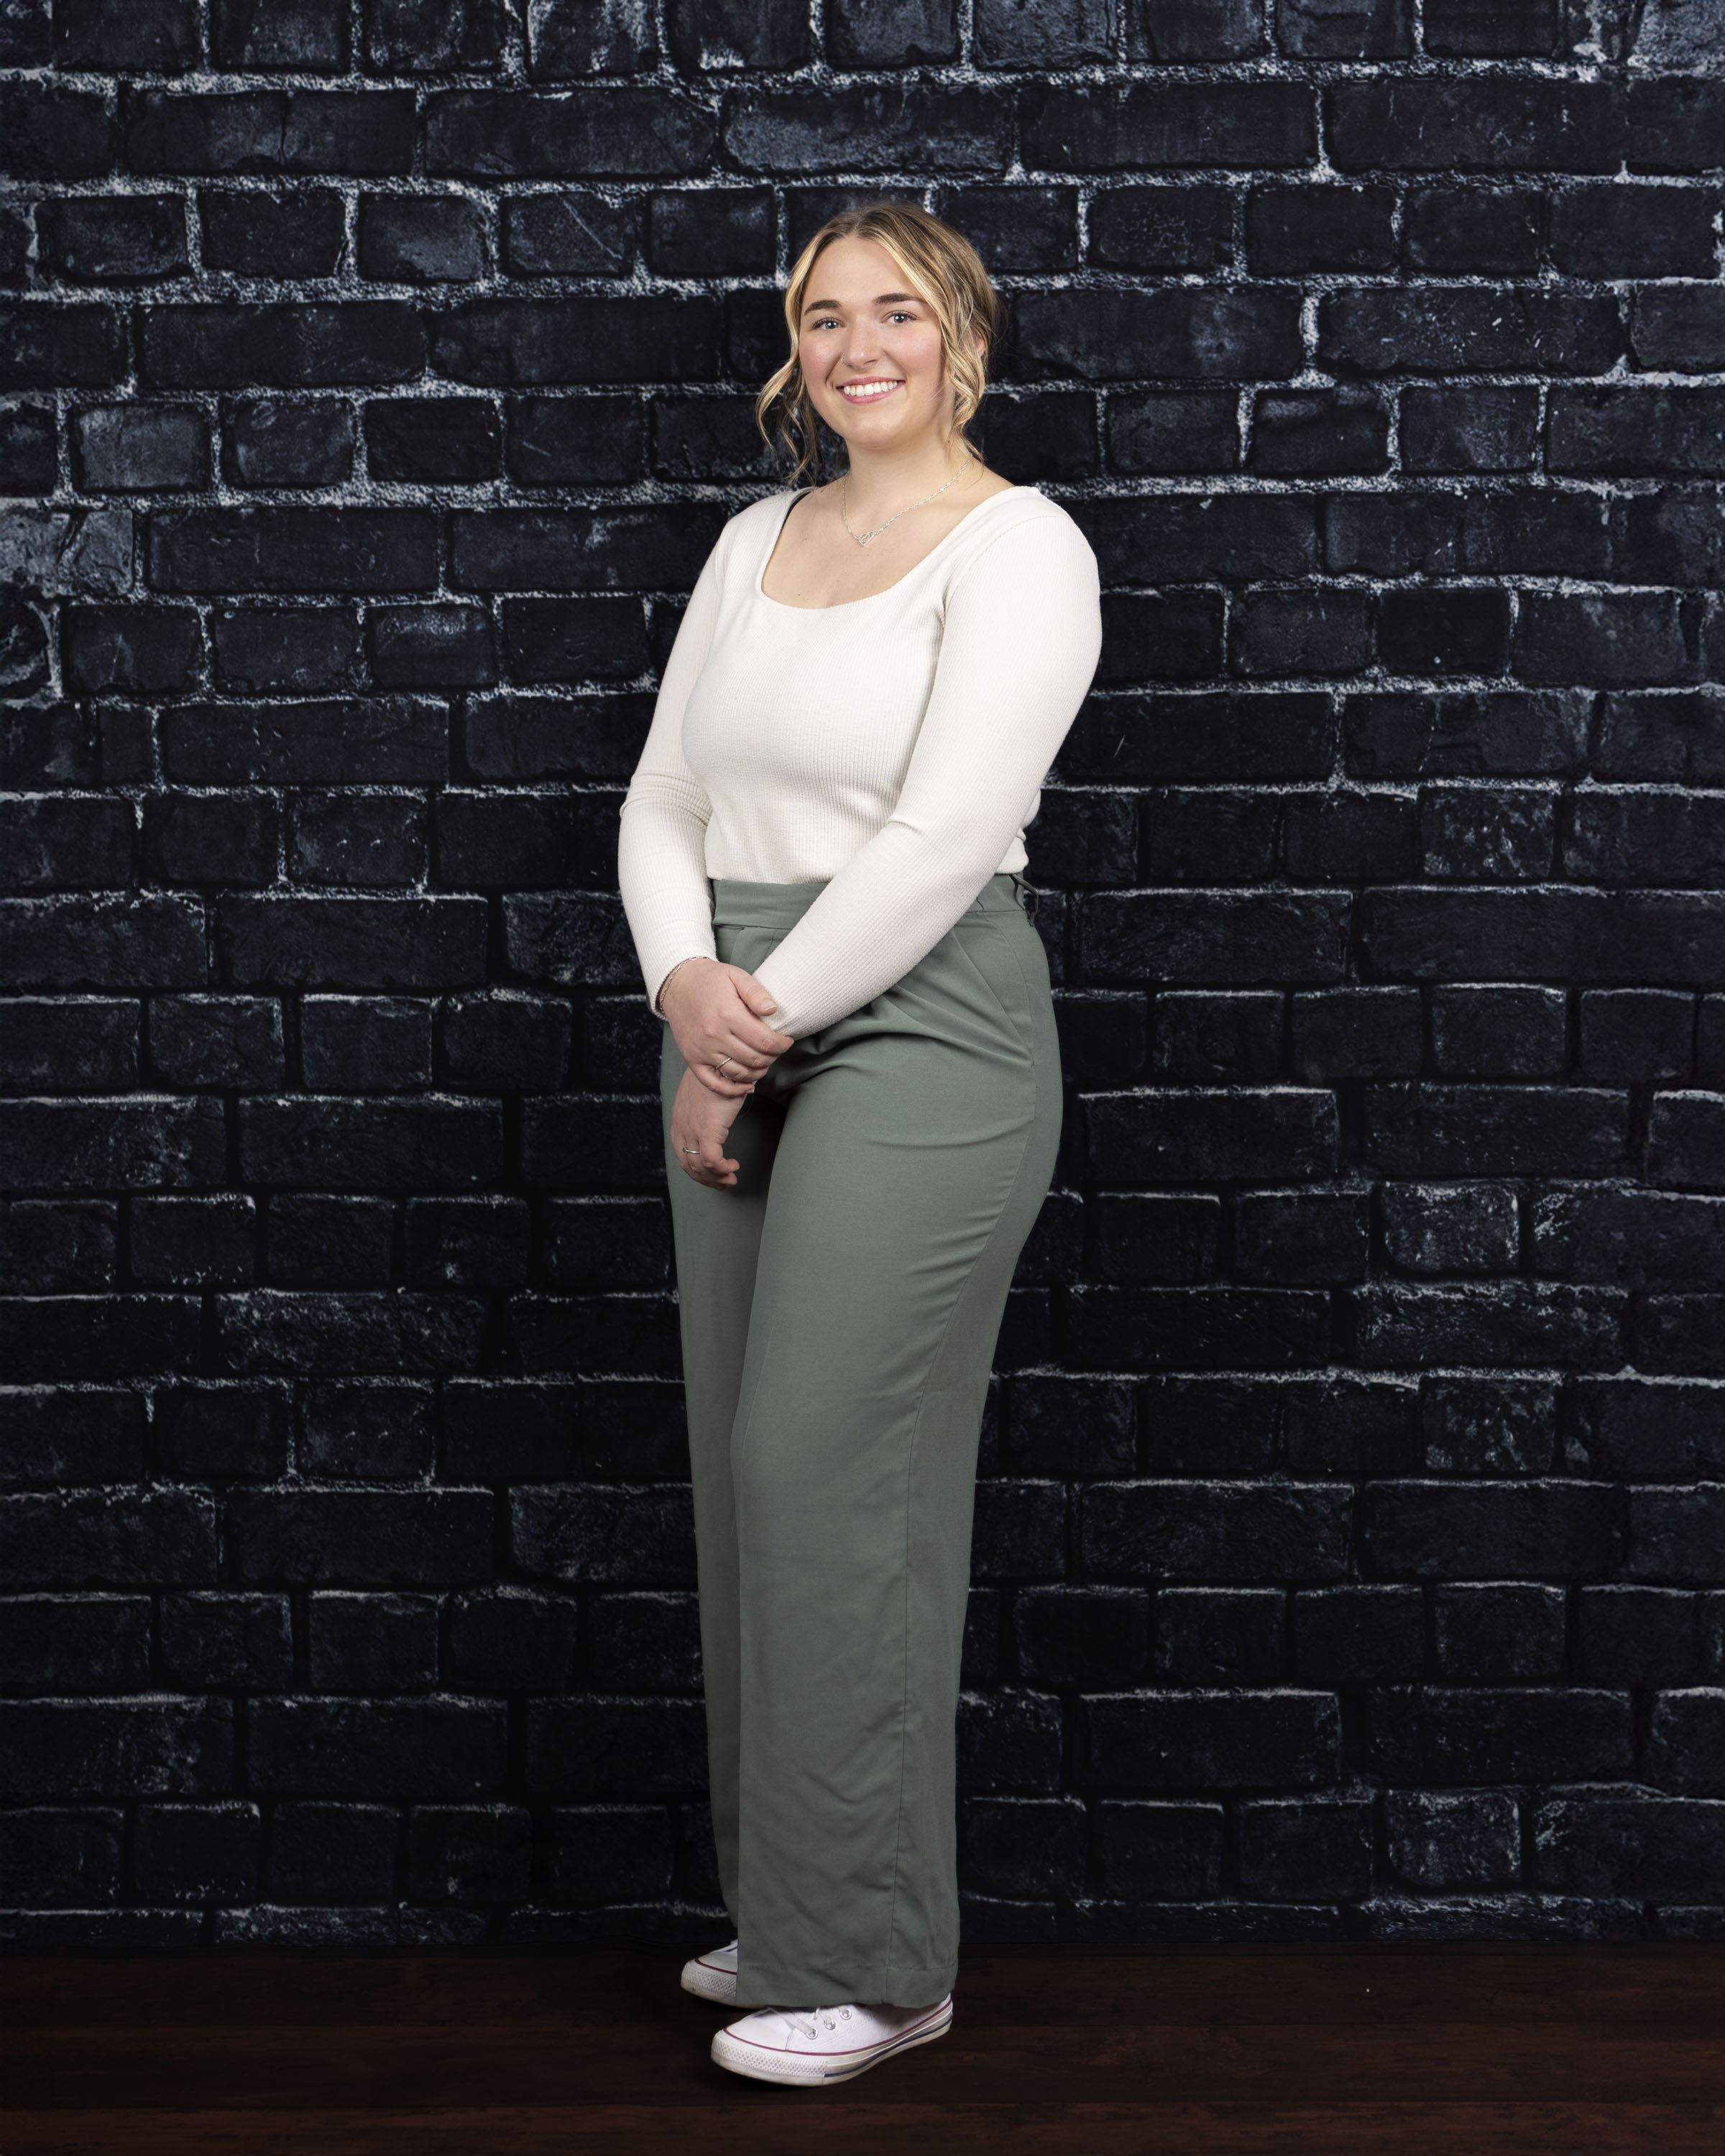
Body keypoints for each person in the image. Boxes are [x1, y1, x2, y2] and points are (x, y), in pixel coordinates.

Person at [617, 202, 1102, 2086]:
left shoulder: (1021, 547)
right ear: (794, 350)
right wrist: (684, 986)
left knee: (826, 1465)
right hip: (730, 1005)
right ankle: (801, 1913)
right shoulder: (757, 540)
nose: (859, 345)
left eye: (899, 311)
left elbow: (941, 834)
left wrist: (740, 1032)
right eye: (824, 318)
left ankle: (883, 1967)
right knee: (748, 1481)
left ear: (962, 338)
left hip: (920, 1016)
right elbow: (667, 791)